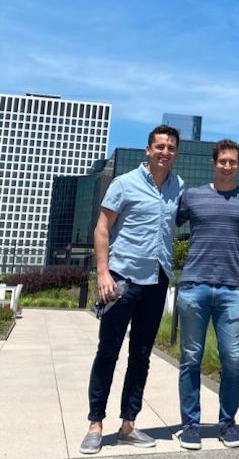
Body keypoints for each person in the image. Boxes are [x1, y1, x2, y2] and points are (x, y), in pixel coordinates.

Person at [80, 125, 184, 455]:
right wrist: (102, 273)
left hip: (157, 280)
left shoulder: (178, 186)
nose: (164, 151)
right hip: (121, 280)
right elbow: (102, 228)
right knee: (108, 351)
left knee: (141, 356)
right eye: (159, 146)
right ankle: (95, 423)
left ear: (175, 153)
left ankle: (128, 424)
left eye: (170, 147)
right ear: (148, 149)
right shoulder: (124, 183)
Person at [175, 139, 239, 450]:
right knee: (190, 359)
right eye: (222, 161)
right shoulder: (192, 197)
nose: (227, 166)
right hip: (194, 286)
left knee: (234, 359)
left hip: (232, 289)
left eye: (233, 162)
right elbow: (163, 221)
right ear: (214, 163)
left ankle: (227, 423)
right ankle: (191, 425)